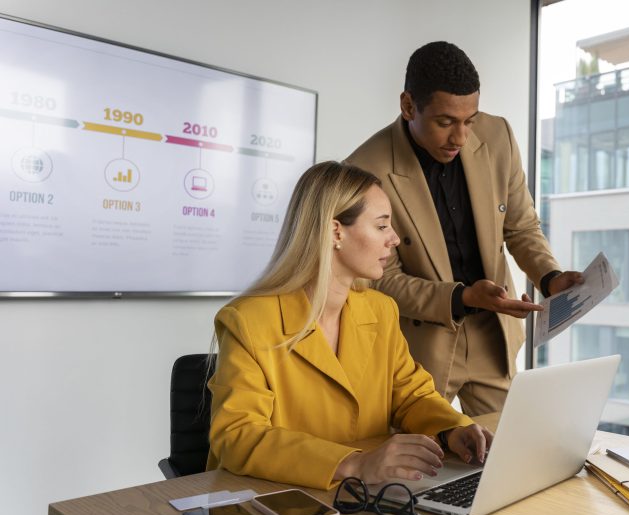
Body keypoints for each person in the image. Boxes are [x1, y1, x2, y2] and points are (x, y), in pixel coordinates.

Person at [206, 161, 492, 491]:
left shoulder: (380, 310)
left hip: (365, 494)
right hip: (279, 497)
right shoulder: (248, 320)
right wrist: (352, 463)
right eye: (382, 226)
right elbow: (238, 434)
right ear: (335, 232)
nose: (394, 239)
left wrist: (452, 429)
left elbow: (410, 396)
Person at [345, 41, 582, 416]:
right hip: (418, 347)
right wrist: (462, 297)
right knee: (419, 452)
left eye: (469, 120)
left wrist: (550, 277)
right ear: (408, 106)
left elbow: (521, 226)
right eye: (445, 123)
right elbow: (380, 279)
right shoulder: (364, 170)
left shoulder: (498, 135)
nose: (460, 137)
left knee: (509, 447)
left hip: (493, 335)